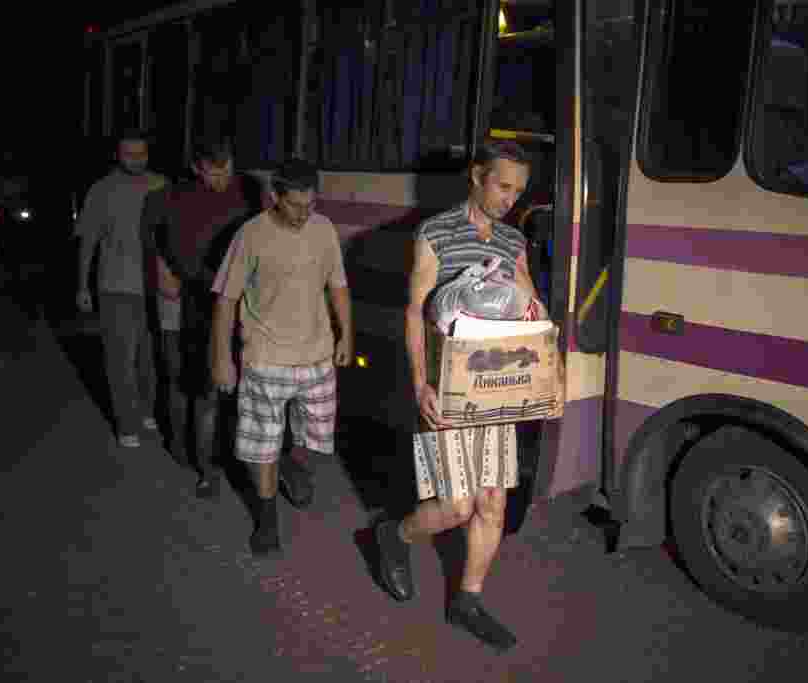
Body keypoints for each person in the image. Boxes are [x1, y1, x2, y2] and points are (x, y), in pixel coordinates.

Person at [374, 140, 564, 652]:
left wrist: (551, 375)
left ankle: (468, 601)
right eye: (503, 186)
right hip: (450, 387)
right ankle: (396, 534)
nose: (510, 199)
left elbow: (533, 310)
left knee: (493, 505)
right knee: (457, 506)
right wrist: (419, 383)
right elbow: (415, 311)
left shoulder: (511, 240)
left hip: (496, 388)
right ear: (477, 177)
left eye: (519, 191)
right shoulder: (435, 232)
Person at [210, 158, 353, 555]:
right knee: (261, 446)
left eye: (310, 205)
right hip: (266, 357)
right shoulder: (250, 235)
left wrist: (347, 336)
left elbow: (337, 284)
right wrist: (222, 357)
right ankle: (267, 522)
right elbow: (226, 299)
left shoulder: (323, 228)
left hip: (317, 356)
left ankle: (289, 460)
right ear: (274, 196)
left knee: (317, 438)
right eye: (294, 205)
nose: (303, 214)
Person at [140, 135, 260, 497]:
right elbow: (152, 236)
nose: (222, 179)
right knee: (202, 388)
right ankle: (203, 464)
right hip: (199, 302)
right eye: (213, 172)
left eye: (227, 169)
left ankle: (240, 458)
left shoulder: (249, 190)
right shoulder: (173, 197)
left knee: (245, 390)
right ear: (196, 168)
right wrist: (161, 267)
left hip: (245, 301)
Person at [75, 129, 167, 448]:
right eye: (129, 154)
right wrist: (82, 286)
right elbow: (88, 239)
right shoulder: (102, 189)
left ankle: (146, 410)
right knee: (120, 360)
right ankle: (126, 424)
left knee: (149, 358)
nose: (136, 159)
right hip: (115, 286)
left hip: (155, 287)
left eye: (141, 153)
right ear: (117, 154)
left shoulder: (161, 185)